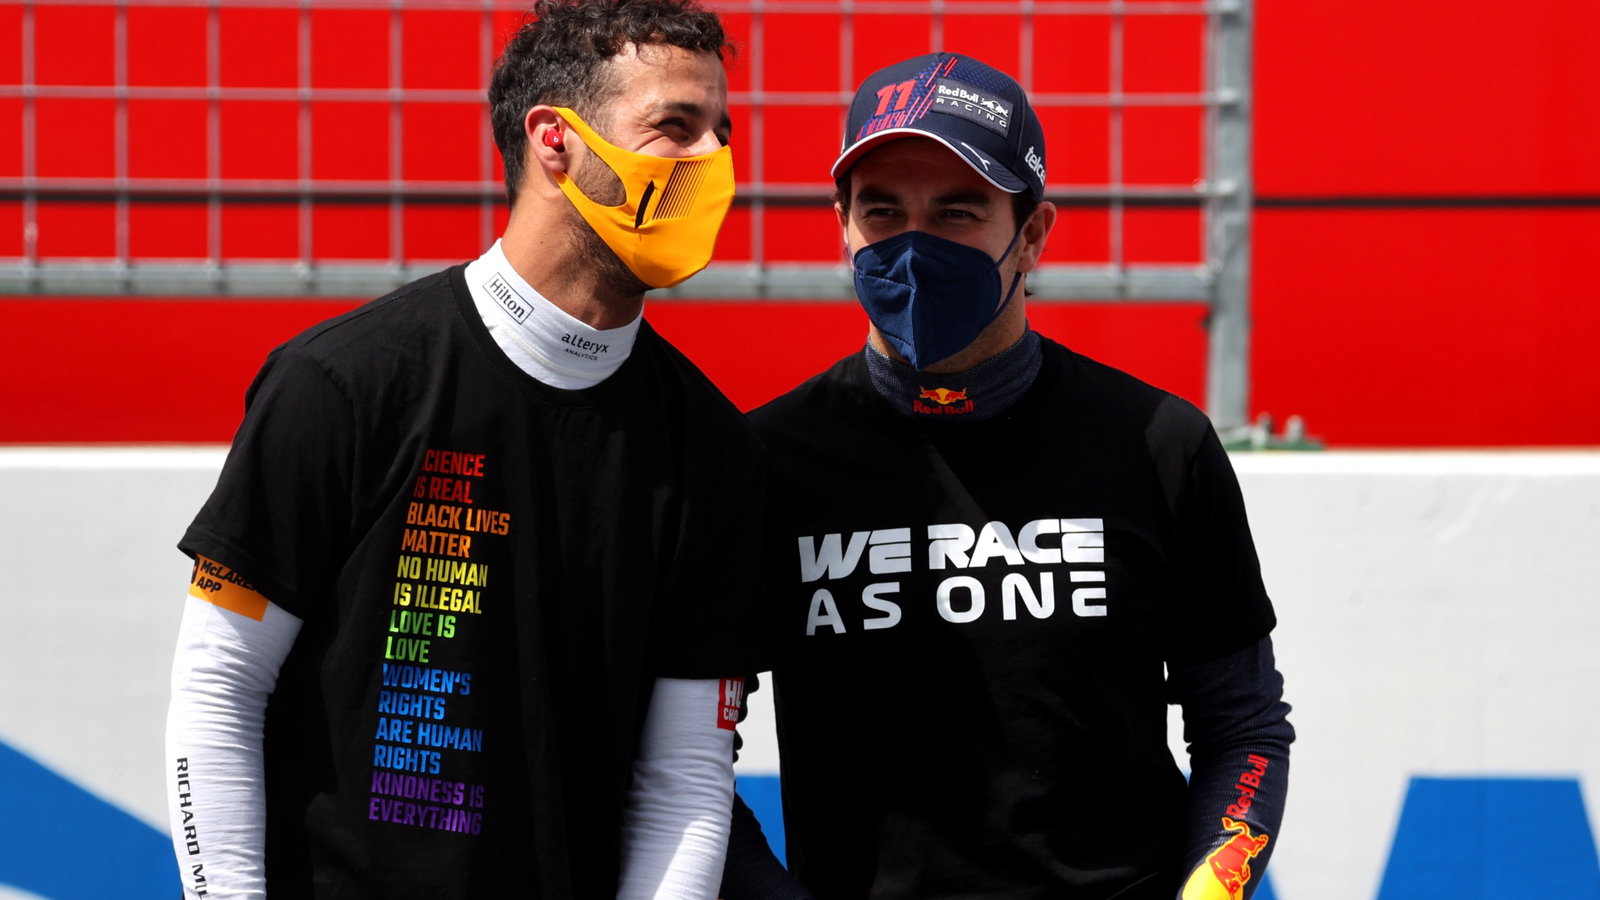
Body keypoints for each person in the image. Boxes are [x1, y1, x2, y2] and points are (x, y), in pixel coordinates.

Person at [164, 1, 766, 896]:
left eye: (721, 132)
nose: (712, 163)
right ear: (554, 142)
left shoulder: (711, 444)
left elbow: (683, 775)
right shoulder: (344, 383)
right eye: (674, 128)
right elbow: (218, 688)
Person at [719, 52, 1293, 900]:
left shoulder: (1160, 443)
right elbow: (684, 757)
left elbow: (1242, 726)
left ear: (1033, 233)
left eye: (957, 212)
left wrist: (1209, 891)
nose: (913, 246)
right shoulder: (763, 461)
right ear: (841, 223)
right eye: (882, 211)